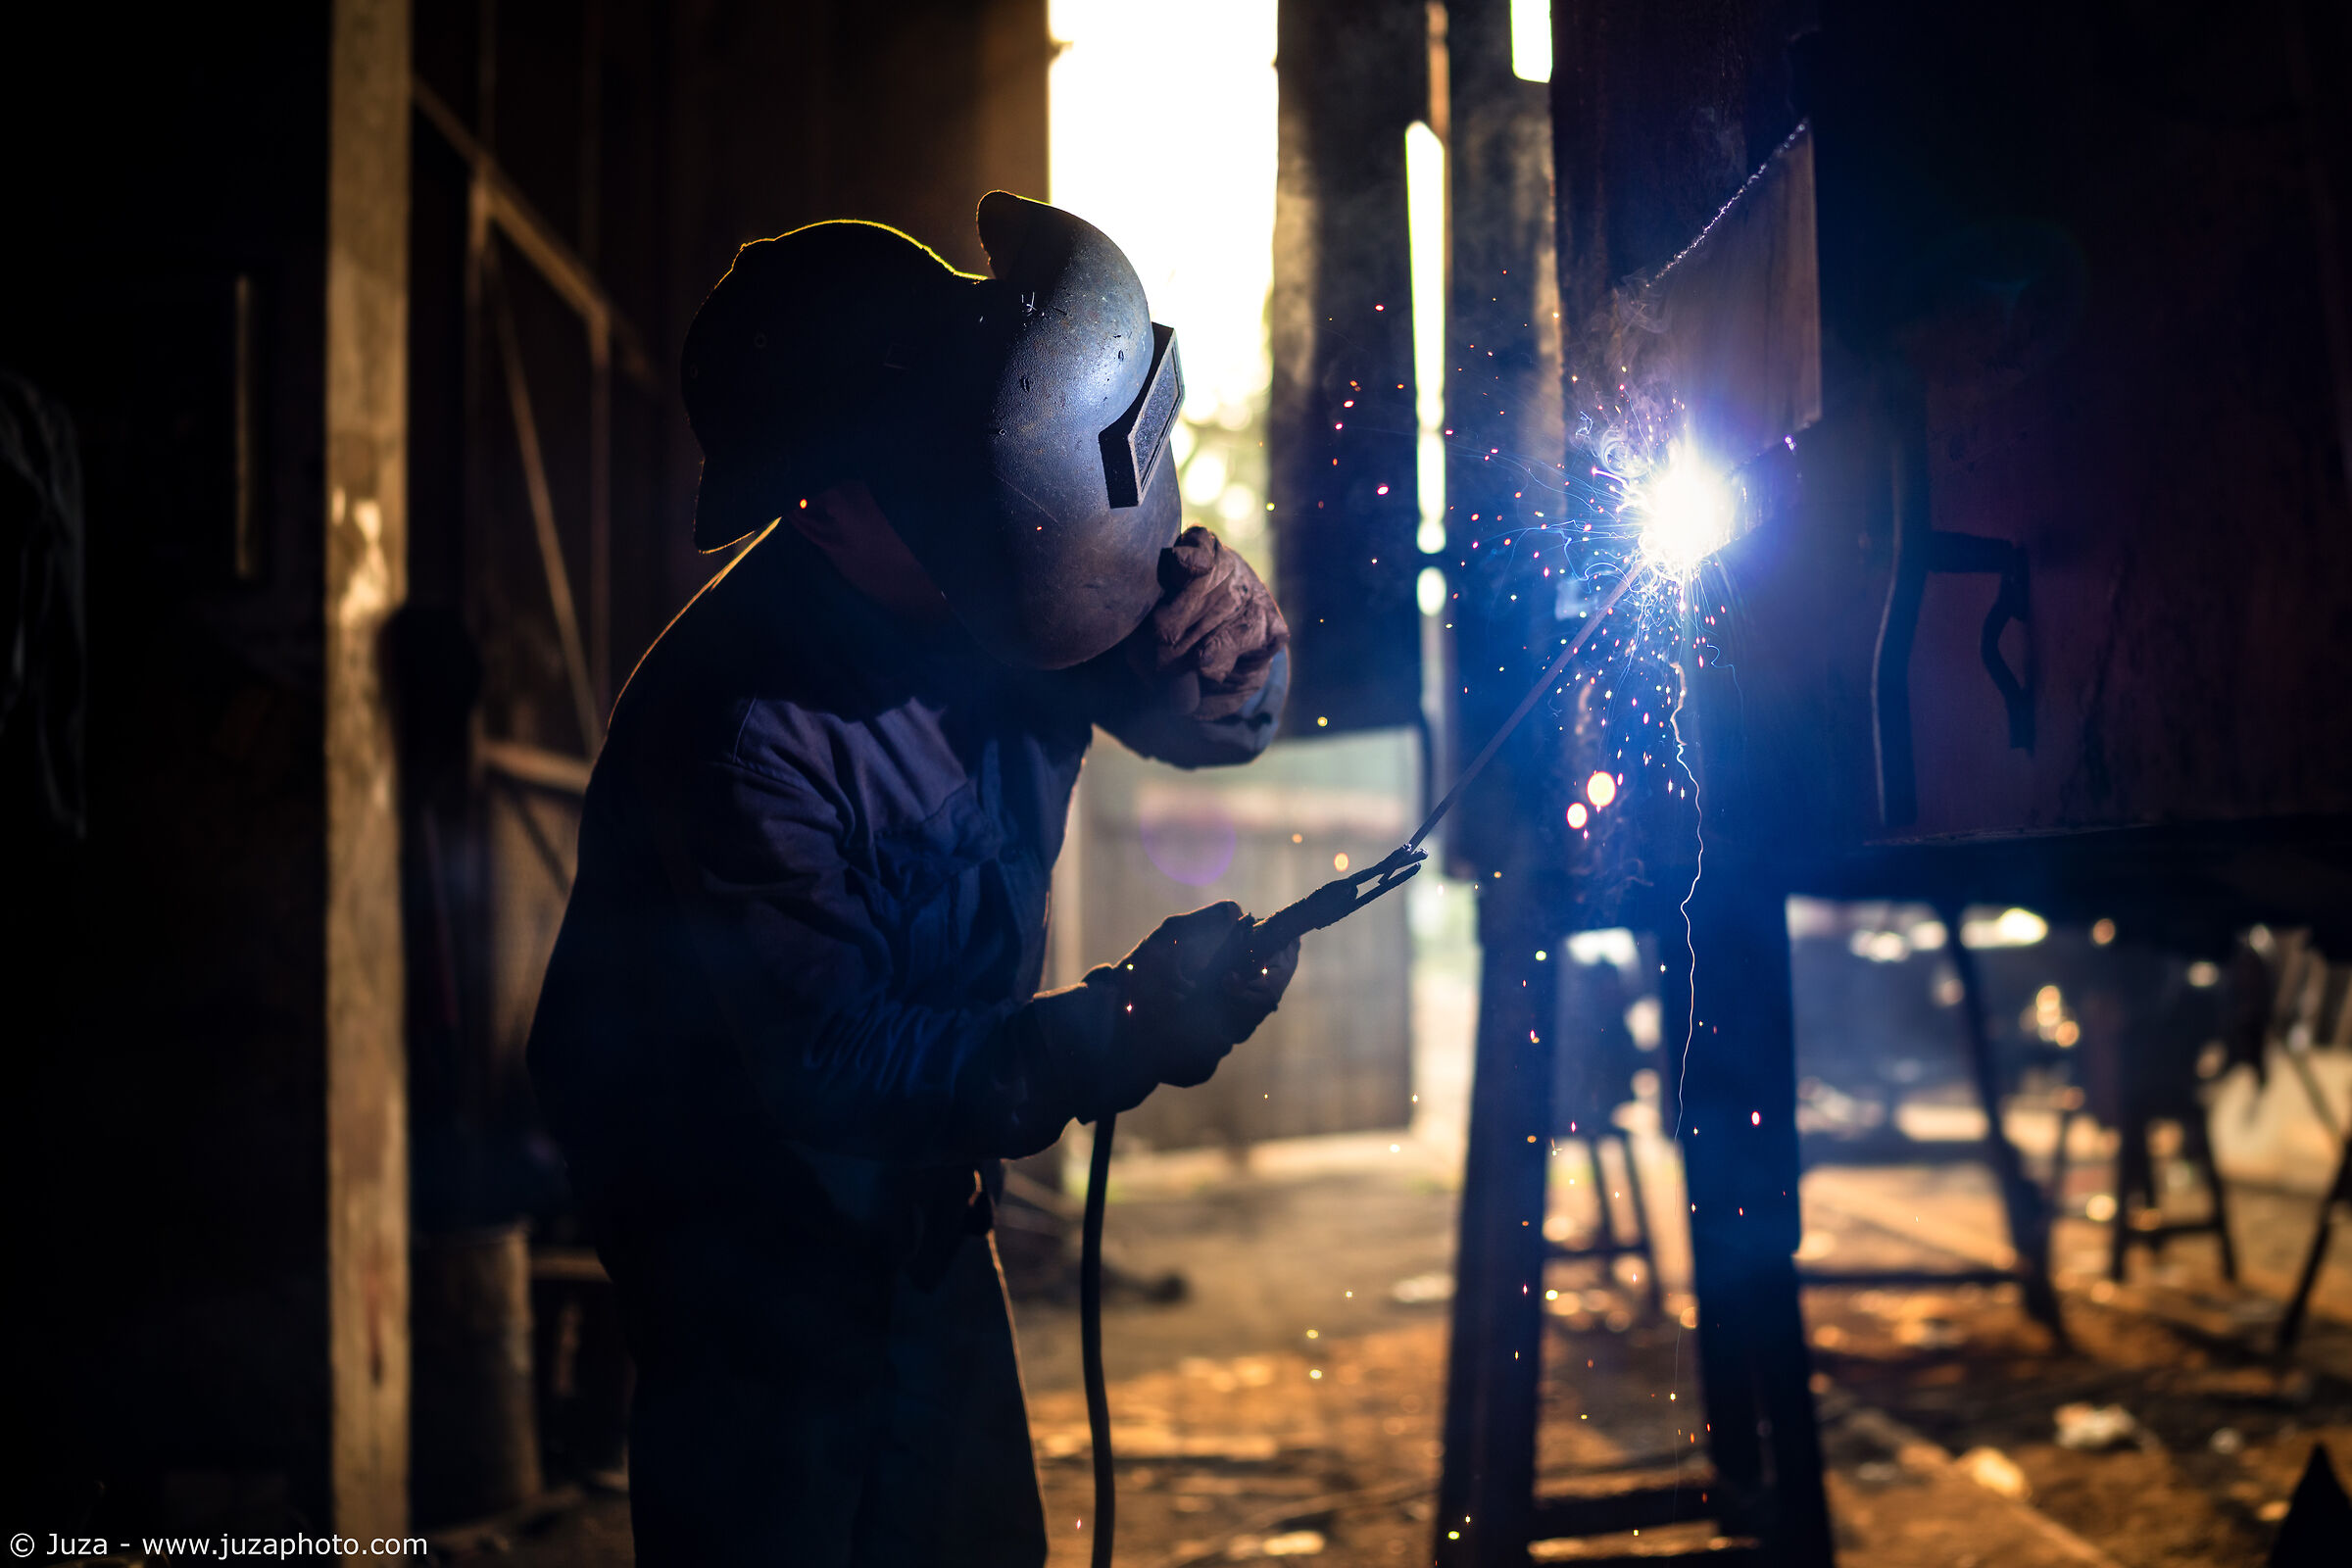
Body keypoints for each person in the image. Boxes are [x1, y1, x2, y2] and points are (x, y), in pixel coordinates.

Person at [526, 194, 1299, 1567]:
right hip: (737, 1254)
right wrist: (1118, 1027)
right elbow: (838, 1061)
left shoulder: (1004, 556)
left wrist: (1232, 656)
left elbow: (1198, 713)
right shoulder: (738, 727)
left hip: (921, 1214)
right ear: (820, 509)